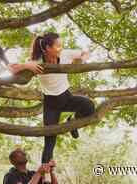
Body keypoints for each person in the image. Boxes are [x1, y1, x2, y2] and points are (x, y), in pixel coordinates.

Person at [29, 32, 95, 164]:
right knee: (49, 139)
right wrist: (26, 65)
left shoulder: (64, 54)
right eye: (58, 46)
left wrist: (82, 59)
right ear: (48, 48)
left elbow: (85, 52)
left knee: (89, 106)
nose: (61, 48)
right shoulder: (37, 62)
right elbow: (13, 69)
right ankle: (45, 171)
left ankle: (73, 122)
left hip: (66, 97)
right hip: (50, 104)